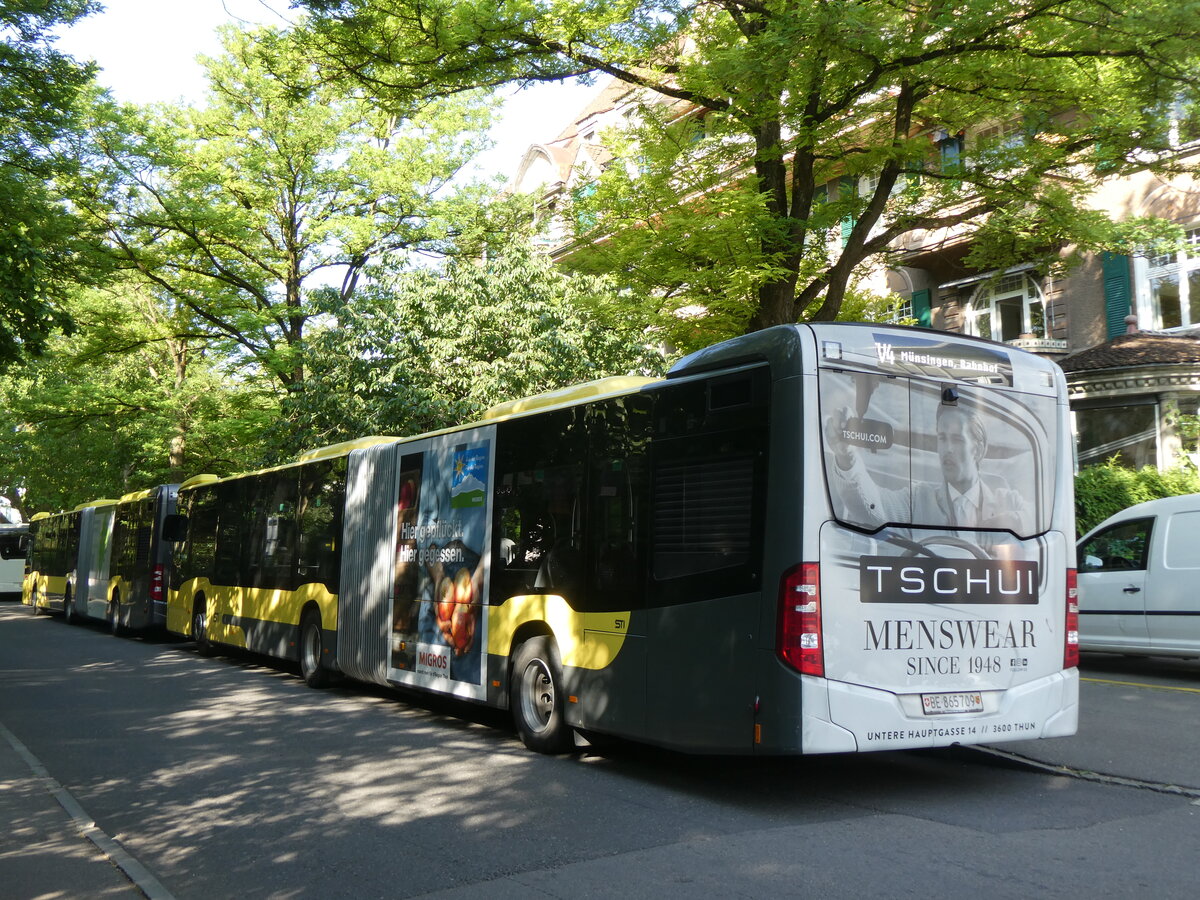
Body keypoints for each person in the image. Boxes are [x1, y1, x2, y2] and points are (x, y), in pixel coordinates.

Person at [826, 398, 1030, 534]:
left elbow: (1043, 522)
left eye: (957, 440)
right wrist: (847, 457)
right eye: (942, 438)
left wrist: (1014, 522)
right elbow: (872, 508)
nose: (947, 449)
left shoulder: (1008, 501)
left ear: (979, 449)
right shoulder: (918, 500)